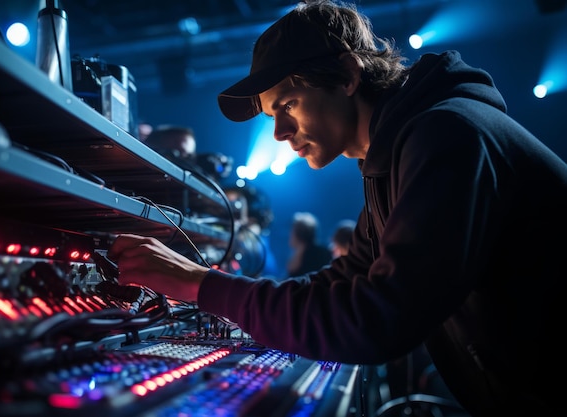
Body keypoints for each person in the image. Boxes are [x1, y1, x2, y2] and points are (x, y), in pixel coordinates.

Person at [106, 1, 567, 415]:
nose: (280, 133)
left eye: (288, 104)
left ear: (347, 75)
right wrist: (226, 295)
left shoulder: (446, 135)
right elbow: (348, 280)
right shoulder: (391, 159)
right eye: (272, 117)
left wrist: (200, 284)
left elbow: (380, 317)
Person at [286, 211, 332, 277]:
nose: (289, 235)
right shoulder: (324, 252)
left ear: (299, 234)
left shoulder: (319, 255)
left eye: (292, 232)